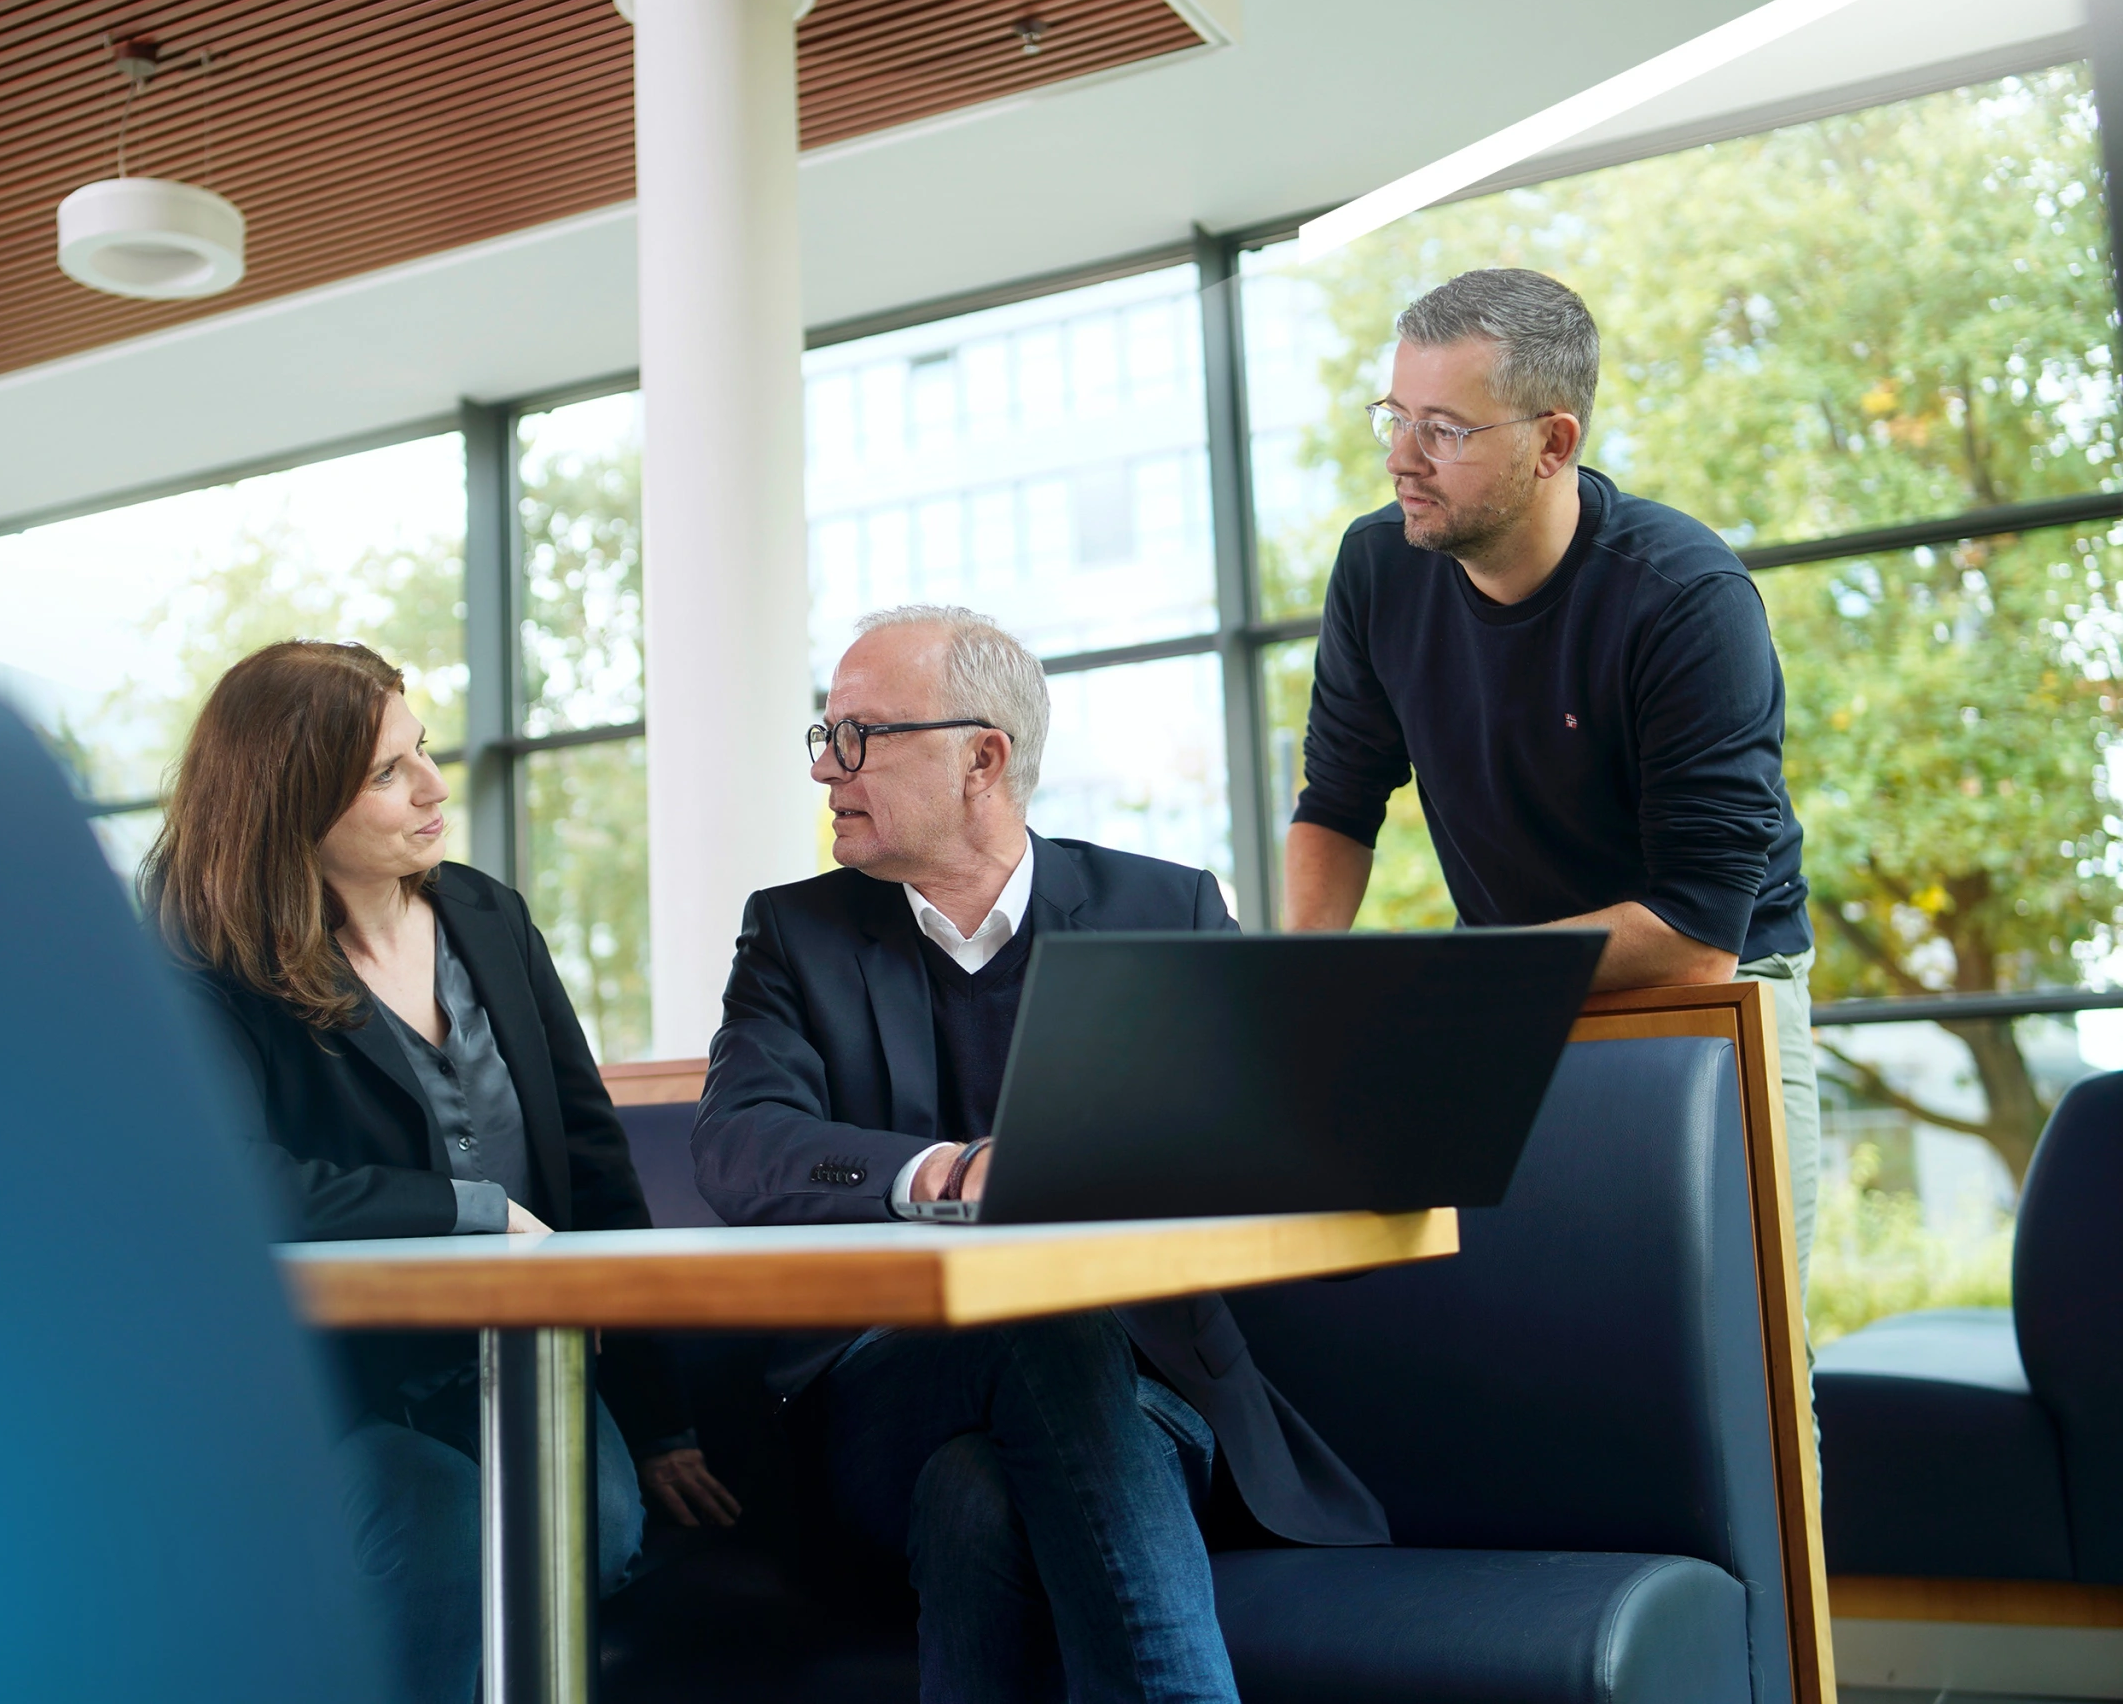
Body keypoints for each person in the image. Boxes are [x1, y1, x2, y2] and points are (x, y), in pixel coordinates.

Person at [694, 606, 1386, 1704]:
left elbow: (1273, 1143)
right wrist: (945, 1173)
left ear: (983, 758)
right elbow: (738, 1146)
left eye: (859, 736)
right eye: (825, 735)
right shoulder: (794, 933)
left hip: (1147, 1397)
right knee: (1035, 1309)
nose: (827, 768)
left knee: (976, 1493)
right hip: (881, 1397)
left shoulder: (1165, 908)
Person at [142, 640, 739, 1703]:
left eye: (422, 748)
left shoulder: (487, 915)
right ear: (290, 804)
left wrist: (661, 1424)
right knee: (443, 1527)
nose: (433, 786)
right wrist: (473, 1211)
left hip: (514, 1361)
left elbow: (592, 1162)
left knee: (597, 1528)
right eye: (387, 772)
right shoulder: (205, 956)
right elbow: (226, 1180)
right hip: (317, 1382)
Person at [1282, 267, 1820, 1283]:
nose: (1401, 458)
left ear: (1553, 443)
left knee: (1740, 1338)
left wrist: (1455, 982)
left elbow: (1699, 935)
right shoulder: (1378, 566)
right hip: (1510, 985)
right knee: (1527, 1323)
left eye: (1443, 430)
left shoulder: (1685, 597)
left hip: (1716, 985)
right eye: (1395, 417)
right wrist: (1300, 989)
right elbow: (1338, 802)